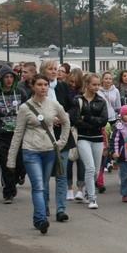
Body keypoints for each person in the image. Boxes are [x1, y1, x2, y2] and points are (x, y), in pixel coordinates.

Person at [7, 74, 70, 235]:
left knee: (44, 184)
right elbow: (18, 133)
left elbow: (66, 120)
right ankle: (42, 219)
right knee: (38, 185)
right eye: (40, 84)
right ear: (33, 86)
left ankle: (37, 219)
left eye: (45, 85)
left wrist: (61, 142)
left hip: (49, 150)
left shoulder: (53, 104)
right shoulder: (25, 108)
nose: (43, 87)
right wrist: (11, 159)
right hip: (31, 150)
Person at [0, 65, 27, 205]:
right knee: (5, 162)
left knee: (19, 161)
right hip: (1, 134)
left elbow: (28, 112)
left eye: (10, 77)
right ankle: (8, 191)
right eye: (6, 77)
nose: (8, 80)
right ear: (1, 79)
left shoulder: (21, 93)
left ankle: (16, 178)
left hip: (18, 134)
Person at [40, 60, 75, 222]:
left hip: (62, 135)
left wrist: (65, 116)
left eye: (56, 69)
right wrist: (48, 119)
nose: (54, 72)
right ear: (43, 71)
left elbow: (74, 107)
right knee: (45, 175)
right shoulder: (39, 88)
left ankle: (61, 209)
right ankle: (44, 205)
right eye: (50, 69)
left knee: (61, 173)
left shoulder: (63, 87)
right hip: (44, 136)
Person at [69, 73, 109, 209]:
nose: (97, 87)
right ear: (87, 84)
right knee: (90, 167)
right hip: (83, 138)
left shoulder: (101, 101)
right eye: (94, 84)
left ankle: (86, 192)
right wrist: (92, 122)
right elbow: (76, 121)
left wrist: (87, 118)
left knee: (96, 171)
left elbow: (104, 121)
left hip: (97, 138)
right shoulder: (78, 100)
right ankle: (92, 198)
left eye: (98, 84)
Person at [65, 68, 86, 202]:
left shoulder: (83, 94)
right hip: (68, 128)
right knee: (68, 160)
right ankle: (69, 188)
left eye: (76, 82)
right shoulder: (64, 93)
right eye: (71, 82)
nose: (73, 85)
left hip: (81, 129)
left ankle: (80, 189)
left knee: (80, 160)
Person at [111, 104, 127, 202]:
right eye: (126, 114)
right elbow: (115, 140)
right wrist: (115, 152)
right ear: (121, 115)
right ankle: (125, 193)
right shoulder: (119, 127)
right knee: (124, 176)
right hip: (123, 155)